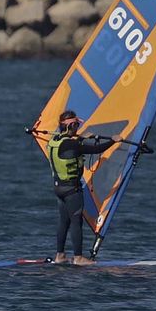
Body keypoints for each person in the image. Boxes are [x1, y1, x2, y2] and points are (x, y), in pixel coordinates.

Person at [47, 110, 118, 266]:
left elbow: (72, 145)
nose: (78, 127)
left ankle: (60, 255)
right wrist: (114, 140)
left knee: (63, 221)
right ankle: (78, 258)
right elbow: (96, 149)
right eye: (77, 125)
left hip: (59, 188)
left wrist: (83, 138)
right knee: (76, 221)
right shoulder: (73, 144)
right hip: (72, 190)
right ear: (71, 125)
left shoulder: (54, 141)